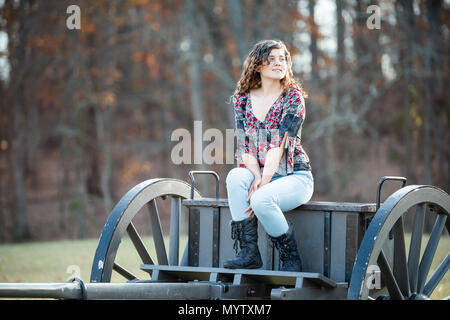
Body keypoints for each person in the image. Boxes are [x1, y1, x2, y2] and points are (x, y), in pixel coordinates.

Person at [224, 40, 314, 272]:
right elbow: (245, 146)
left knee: (260, 199)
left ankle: (291, 260)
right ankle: (249, 253)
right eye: (271, 58)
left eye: (282, 58)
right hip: (260, 172)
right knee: (235, 176)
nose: (278, 63)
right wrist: (255, 176)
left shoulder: (292, 98)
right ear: (257, 64)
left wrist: (262, 184)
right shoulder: (242, 100)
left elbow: (278, 147)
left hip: (295, 176)